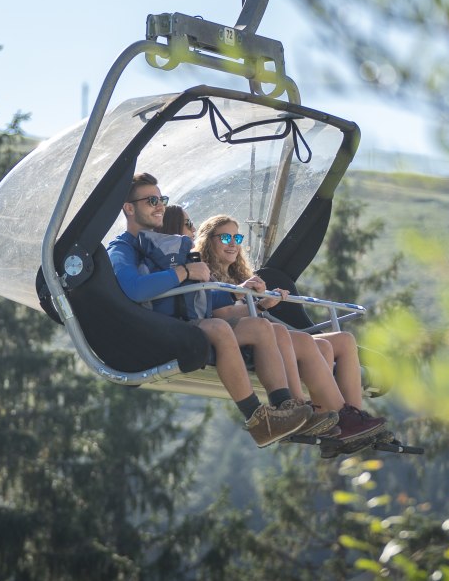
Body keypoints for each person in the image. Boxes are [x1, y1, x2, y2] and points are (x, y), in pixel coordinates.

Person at [106, 173, 313, 447]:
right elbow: (134, 289)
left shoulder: (165, 247)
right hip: (155, 330)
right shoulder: (122, 248)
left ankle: (284, 407)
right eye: (151, 200)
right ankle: (256, 417)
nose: (159, 206)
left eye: (162, 200)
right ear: (129, 208)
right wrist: (183, 271)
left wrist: (244, 296)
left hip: (186, 320)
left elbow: (201, 299)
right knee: (216, 328)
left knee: (263, 327)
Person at [194, 214, 387, 447]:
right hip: (243, 336)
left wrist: (263, 303)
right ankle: (322, 414)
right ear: (208, 241)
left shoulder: (241, 276)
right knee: (302, 341)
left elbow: (245, 312)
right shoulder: (205, 273)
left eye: (237, 236)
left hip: (257, 330)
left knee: (341, 340)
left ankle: (348, 419)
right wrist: (250, 301)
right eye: (225, 237)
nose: (233, 243)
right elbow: (218, 314)